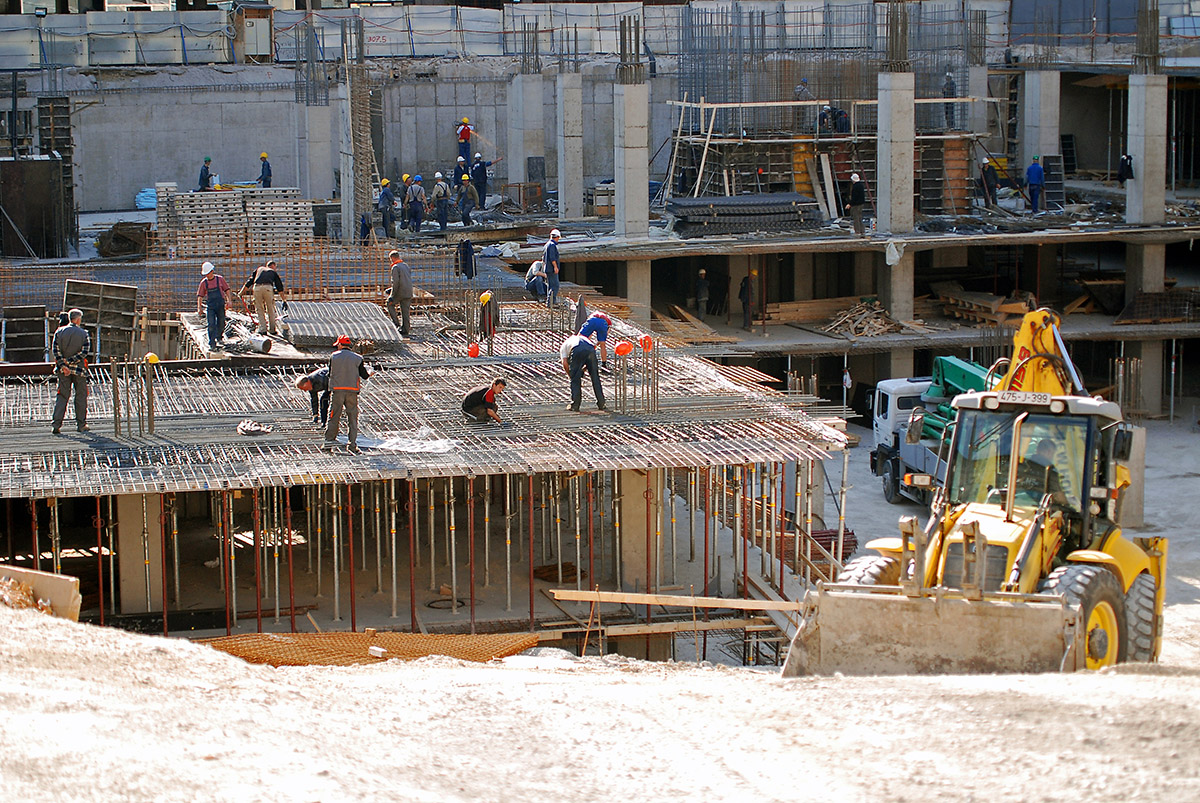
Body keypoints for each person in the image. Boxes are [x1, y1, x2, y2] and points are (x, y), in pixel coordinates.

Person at [324, 335, 370, 453]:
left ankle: (328, 444)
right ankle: (352, 445)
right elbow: (364, 375)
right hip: (352, 392)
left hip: (337, 391)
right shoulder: (358, 358)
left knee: (333, 417)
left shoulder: (333, 356)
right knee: (353, 419)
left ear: (339, 345)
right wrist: (370, 373)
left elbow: (329, 373)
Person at [50, 308, 90, 435]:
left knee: (62, 396)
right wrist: (70, 361)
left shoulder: (59, 332)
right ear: (78, 319)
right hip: (79, 370)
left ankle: (56, 425)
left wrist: (63, 365)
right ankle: (81, 424)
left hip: (63, 371)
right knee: (81, 396)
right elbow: (84, 352)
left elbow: (55, 351)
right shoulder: (84, 333)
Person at [1016, 439, 1069, 507]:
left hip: (1020, 505)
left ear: (1037, 450)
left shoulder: (1022, 467)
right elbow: (1058, 496)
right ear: (1049, 452)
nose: (1051, 456)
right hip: (1042, 508)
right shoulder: (1051, 472)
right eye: (1051, 453)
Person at [560, 332, 605, 412]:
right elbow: (587, 360)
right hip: (590, 349)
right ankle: (602, 403)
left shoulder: (564, 345)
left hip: (576, 349)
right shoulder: (584, 339)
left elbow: (565, 363)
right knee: (595, 377)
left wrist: (571, 375)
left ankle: (575, 405)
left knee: (575, 381)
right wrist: (583, 369)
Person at [241, 259, 285, 336]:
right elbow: (279, 287)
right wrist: (284, 300)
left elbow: (249, 282)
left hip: (257, 287)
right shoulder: (273, 272)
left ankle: (262, 329)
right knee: (270, 308)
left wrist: (241, 293)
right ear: (273, 266)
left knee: (259, 308)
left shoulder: (259, 269)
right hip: (268, 288)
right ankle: (272, 330)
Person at [196, 261, 231, 352]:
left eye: (208, 273)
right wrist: (199, 308)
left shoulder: (220, 279)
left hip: (220, 305)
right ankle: (212, 343)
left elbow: (227, 290)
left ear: (212, 271)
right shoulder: (204, 283)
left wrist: (229, 301)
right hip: (211, 306)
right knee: (211, 324)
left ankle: (219, 338)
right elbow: (200, 296)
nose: (207, 275)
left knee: (221, 322)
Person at [386, 250, 413, 336]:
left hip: (400, 292)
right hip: (408, 292)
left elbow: (396, 282)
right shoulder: (405, 265)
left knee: (389, 304)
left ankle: (396, 324)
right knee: (405, 311)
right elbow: (404, 280)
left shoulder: (395, 267)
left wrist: (392, 295)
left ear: (392, 258)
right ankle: (406, 329)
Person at [543, 229, 562, 308]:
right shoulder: (552, 245)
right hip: (551, 269)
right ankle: (551, 302)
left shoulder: (547, 244)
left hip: (547, 268)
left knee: (550, 286)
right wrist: (555, 267)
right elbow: (552, 258)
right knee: (555, 286)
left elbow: (544, 258)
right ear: (557, 237)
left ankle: (549, 302)